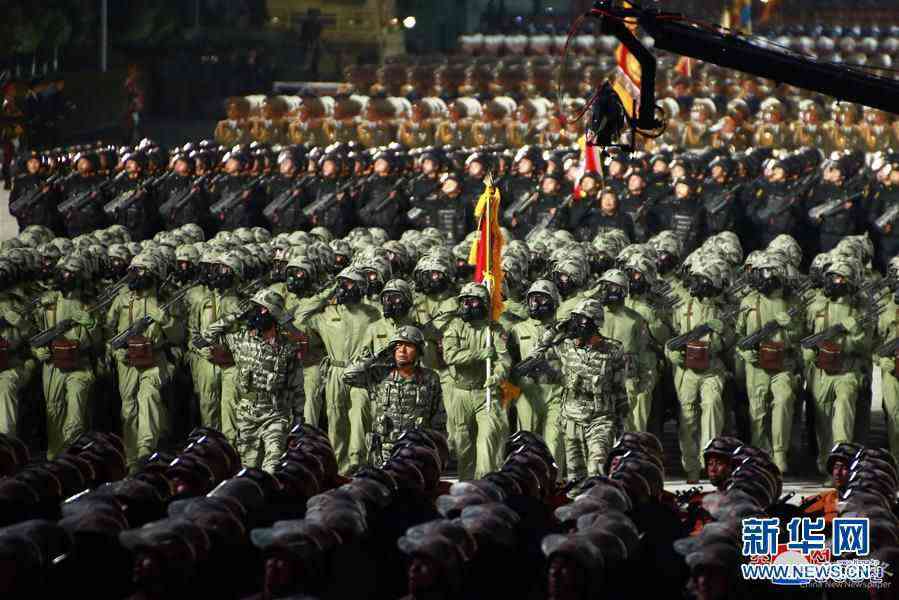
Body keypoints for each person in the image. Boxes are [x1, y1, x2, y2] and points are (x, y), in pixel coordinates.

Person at [199, 289, 303, 472]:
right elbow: (206, 336)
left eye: (261, 309)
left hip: (276, 414)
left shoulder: (287, 348)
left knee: (272, 467)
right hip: (247, 414)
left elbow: (297, 387)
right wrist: (236, 315)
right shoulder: (240, 339)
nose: (255, 313)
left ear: (273, 314)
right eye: (254, 308)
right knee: (249, 468)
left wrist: (298, 420)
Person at [524, 299, 628, 479]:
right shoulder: (566, 346)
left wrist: (620, 425)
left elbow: (619, 388)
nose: (576, 324)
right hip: (571, 420)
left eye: (581, 319)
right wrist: (554, 330)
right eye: (574, 319)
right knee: (575, 477)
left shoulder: (613, 349)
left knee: (597, 468)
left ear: (595, 322)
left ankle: (599, 496)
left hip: (601, 419)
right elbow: (535, 355)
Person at [105, 253, 181, 470]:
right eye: (132, 270)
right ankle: (132, 461)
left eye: (139, 270)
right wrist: (114, 351)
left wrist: (164, 318)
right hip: (126, 360)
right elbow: (108, 328)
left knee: (149, 398)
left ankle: (146, 450)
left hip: (154, 358)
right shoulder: (122, 299)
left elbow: (178, 336)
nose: (134, 275)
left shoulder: (166, 301)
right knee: (128, 409)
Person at [733, 254, 803, 472]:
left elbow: (800, 335)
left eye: (768, 272)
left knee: (784, 400)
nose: (763, 277)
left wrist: (790, 326)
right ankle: (759, 455)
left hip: (783, 362)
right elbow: (739, 335)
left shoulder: (793, 302)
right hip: (756, 364)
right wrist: (744, 353)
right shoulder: (748, 302)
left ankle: (779, 453)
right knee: (758, 411)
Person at [666, 262, 733, 483]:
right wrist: (672, 354)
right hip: (687, 370)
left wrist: (724, 333)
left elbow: (731, 342)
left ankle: (710, 462)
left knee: (712, 406)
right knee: (687, 418)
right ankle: (691, 467)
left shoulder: (722, 310)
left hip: (712, 368)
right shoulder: (681, 308)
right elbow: (670, 338)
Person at [30, 255, 100, 458]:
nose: (64, 276)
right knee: (54, 413)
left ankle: (73, 458)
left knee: (75, 417)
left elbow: (98, 340)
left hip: (80, 364)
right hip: (52, 365)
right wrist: (37, 351)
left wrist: (91, 324)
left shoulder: (89, 304)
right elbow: (34, 333)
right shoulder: (46, 303)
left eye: (70, 273)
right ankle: (55, 459)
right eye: (62, 272)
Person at [343, 325, 443, 466]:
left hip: (417, 450)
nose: (402, 350)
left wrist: (437, 451)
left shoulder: (430, 378)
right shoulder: (380, 374)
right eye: (397, 346)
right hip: (384, 453)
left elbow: (438, 418)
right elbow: (348, 375)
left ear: (419, 351)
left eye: (408, 346)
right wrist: (377, 356)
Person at [441, 282, 512, 480]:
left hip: (486, 393)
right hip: (460, 393)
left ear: (483, 304)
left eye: (472, 302)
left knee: (487, 440)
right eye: (464, 302)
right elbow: (450, 355)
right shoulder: (454, 327)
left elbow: (504, 361)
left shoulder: (494, 330)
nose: (467, 306)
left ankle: (485, 483)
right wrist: (479, 354)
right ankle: (466, 484)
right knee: (463, 444)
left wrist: (497, 376)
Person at [508, 279, 566, 475]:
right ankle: (527, 480)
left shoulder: (563, 331)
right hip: (527, 393)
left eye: (541, 299)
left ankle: (554, 482)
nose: (535, 303)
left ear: (553, 302)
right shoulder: (517, 330)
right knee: (527, 443)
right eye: (532, 298)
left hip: (556, 392)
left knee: (554, 442)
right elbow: (509, 364)